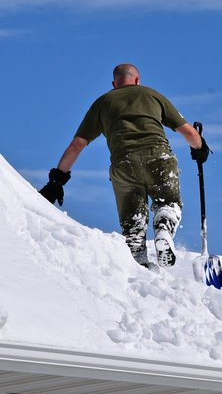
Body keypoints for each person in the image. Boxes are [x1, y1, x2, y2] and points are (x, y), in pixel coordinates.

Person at [39, 63, 210, 268]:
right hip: (159, 159)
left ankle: (140, 268)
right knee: (168, 204)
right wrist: (200, 148)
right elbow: (190, 133)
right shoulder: (152, 95)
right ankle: (163, 229)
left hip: (124, 166)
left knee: (134, 228)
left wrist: (57, 180)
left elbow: (77, 145)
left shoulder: (102, 103)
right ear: (137, 80)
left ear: (114, 84)